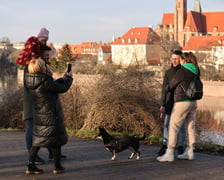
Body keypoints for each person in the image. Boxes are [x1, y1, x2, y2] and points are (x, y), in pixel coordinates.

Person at [25, 58, 73, 174]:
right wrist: (69, 78)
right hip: (50, 115)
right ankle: (57, 166)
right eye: (44, 66)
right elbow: (61, 88)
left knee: (37, 141)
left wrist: (63, 78)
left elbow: (53, 85)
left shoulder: (32, 80)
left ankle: (30, 166)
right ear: (42, 68)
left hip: (40, 116)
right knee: (55, 140)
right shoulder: (45, 81)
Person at [157, 52, 200, 162]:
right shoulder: (196, 69)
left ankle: (169, 153)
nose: (179, 61)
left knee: (173, 126)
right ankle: (190, 152)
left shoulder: (182, 71)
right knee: (191, 126)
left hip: (182, 102)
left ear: (184, 60)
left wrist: (167, 87)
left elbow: (171, 85)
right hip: (193, 101)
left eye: (180, 59)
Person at [157, 50, 186, 156]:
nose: (174, 61)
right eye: (172, 59)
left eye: (176, 59)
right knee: (166, 125)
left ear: (180, 60)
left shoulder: (184, 72)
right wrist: (162, 104)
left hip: (180, 103)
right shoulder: (168, 72)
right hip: (169, 102)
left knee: (181, 126)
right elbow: (164, 89)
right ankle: (164, 146)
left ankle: (181, 147)